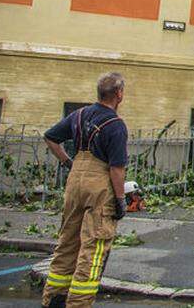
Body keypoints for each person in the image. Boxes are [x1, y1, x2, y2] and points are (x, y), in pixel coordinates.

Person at [41, 73, 129, 308]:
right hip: (99, 188)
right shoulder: (116, 125)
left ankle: (53, 298)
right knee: (94, 246)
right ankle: (78, 303)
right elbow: (116, 169)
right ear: (119, 94)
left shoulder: (78, 115)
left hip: (75, 183)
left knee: (67, 242)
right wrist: (120, 200)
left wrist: (69, 162)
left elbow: (50, 137)